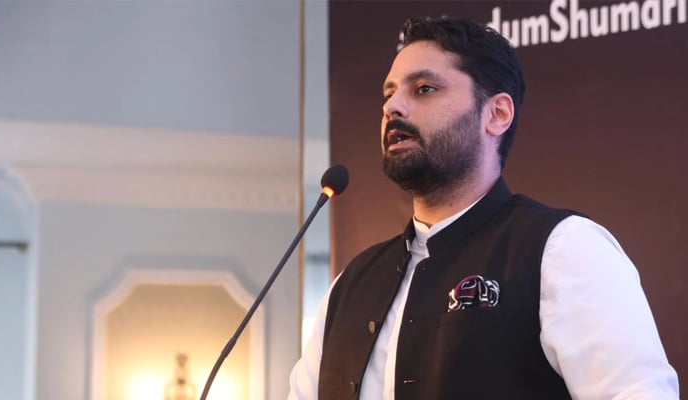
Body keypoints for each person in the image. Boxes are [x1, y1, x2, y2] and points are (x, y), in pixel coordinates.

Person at [289, 16, 679, 399]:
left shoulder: (564, 249)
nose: (394, 108)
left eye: (423, 89)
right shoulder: (350, 284)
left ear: (497, 114)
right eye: (388, 94)